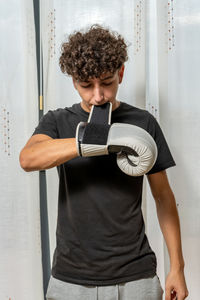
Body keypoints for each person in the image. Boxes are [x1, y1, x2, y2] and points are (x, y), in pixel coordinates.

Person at [19, 24, 188, 300]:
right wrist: (85, 141)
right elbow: (28, 159)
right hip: (70, 279)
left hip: (136, 276)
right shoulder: (58, 121)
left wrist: (178, 267)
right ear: (74, 80)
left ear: (120, 72)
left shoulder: (143, 122)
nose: (98, 96)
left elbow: (163, 197)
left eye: (107, 82)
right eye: (86, 85)